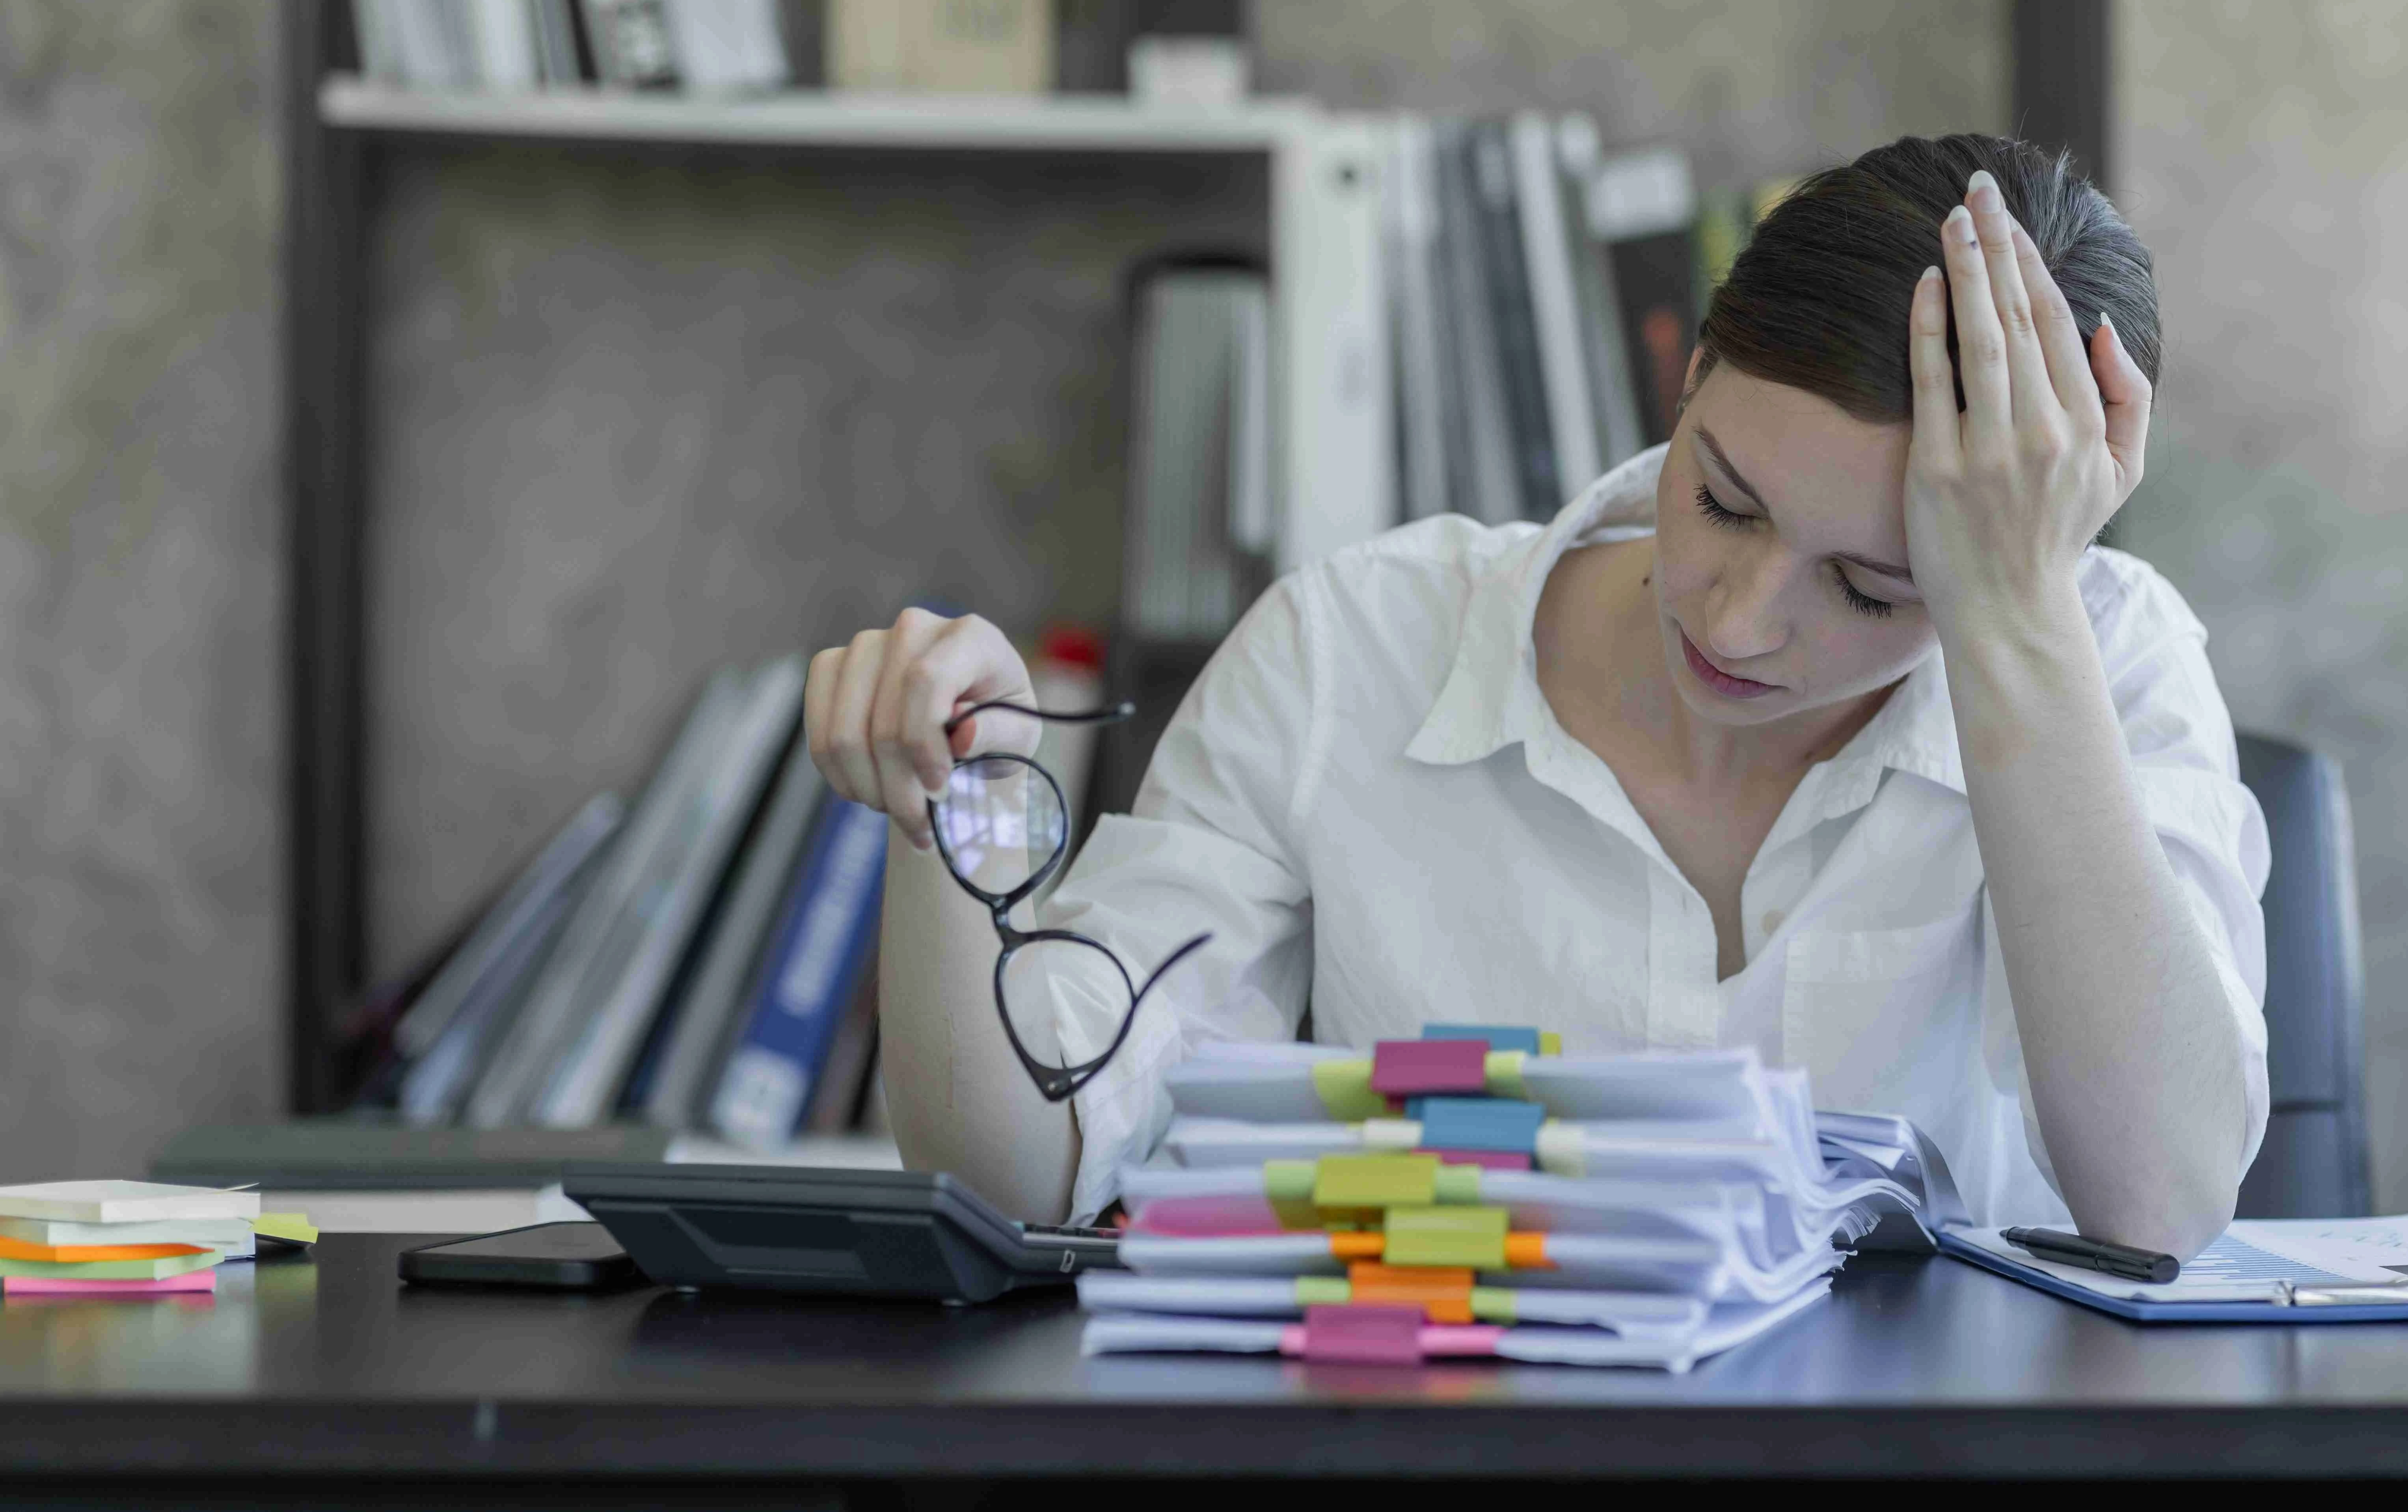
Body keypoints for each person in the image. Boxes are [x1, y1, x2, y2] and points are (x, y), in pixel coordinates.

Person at [804, 134, 2270, 1254]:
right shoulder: (1355, 648)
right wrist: (943, 806)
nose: (1743, 617)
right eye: (1726, 498)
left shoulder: (2108, 656)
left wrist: (2012, 617)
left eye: (1879, 590)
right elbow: (1024, 1172)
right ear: (1686, 378)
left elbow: (2160, 1202)